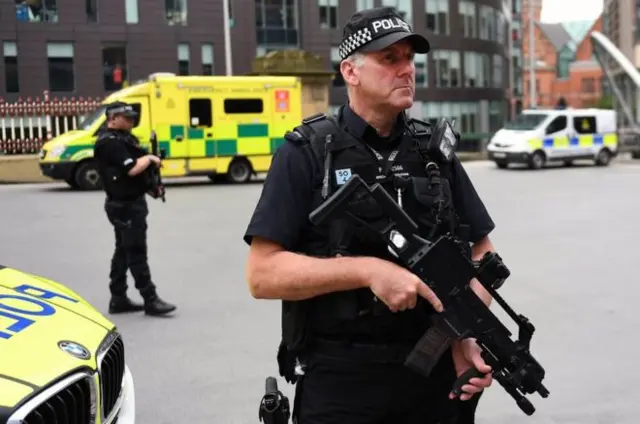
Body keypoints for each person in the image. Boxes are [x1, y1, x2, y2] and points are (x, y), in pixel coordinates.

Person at [243, 6, 496, 424]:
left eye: (409, 59)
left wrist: (461, 332)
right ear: (351, 71)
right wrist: (368, 272)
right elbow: (262, 274)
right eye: (389, 59)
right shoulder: (306, 153)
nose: (406, 70)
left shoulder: (434, 151)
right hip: (342, 381)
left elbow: (482, 252)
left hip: (434, 378)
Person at [93, 101, 177, 317]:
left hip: (131, 202)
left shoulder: (125, 140)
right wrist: (149, 159)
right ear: (112, 118)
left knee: (123, 250)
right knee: (136, 251)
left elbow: (135, 176)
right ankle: (150, 298)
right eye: (126, 117)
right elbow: (131, 169)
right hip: (124, 206)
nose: (131, 121)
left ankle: (118, 297)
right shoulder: (109, 143)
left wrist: (151, 187)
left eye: (132, 117)